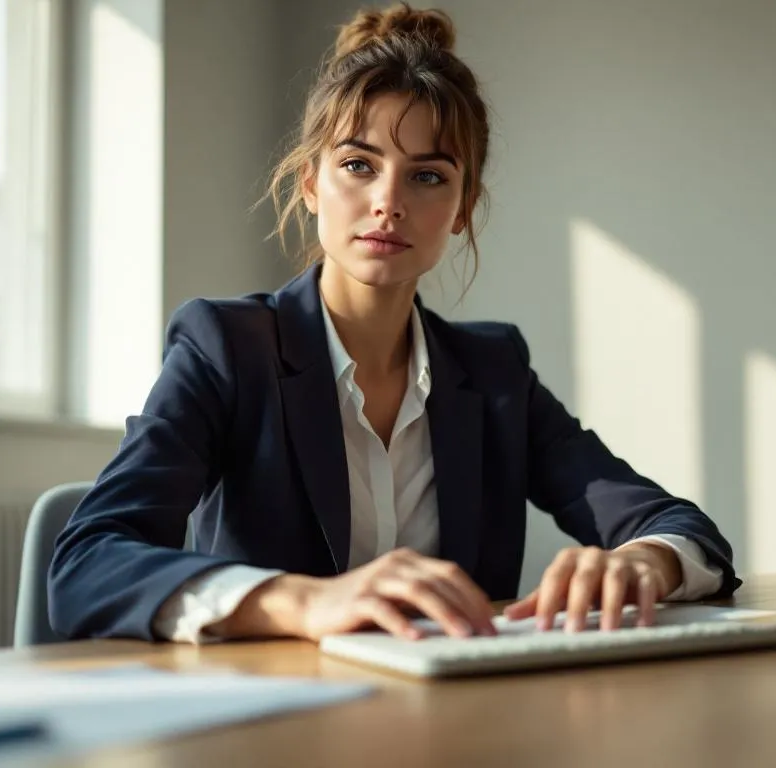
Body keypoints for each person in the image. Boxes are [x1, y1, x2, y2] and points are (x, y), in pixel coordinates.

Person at [48, 2, 740, 645]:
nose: (388, 202)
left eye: (428, 176)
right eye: (358, 165)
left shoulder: (492, 371)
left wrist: (647, 564)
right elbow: (87, 564)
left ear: (464, 207)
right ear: (311, 185)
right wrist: (305, 603)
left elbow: (679, 527)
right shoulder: (225, 348)